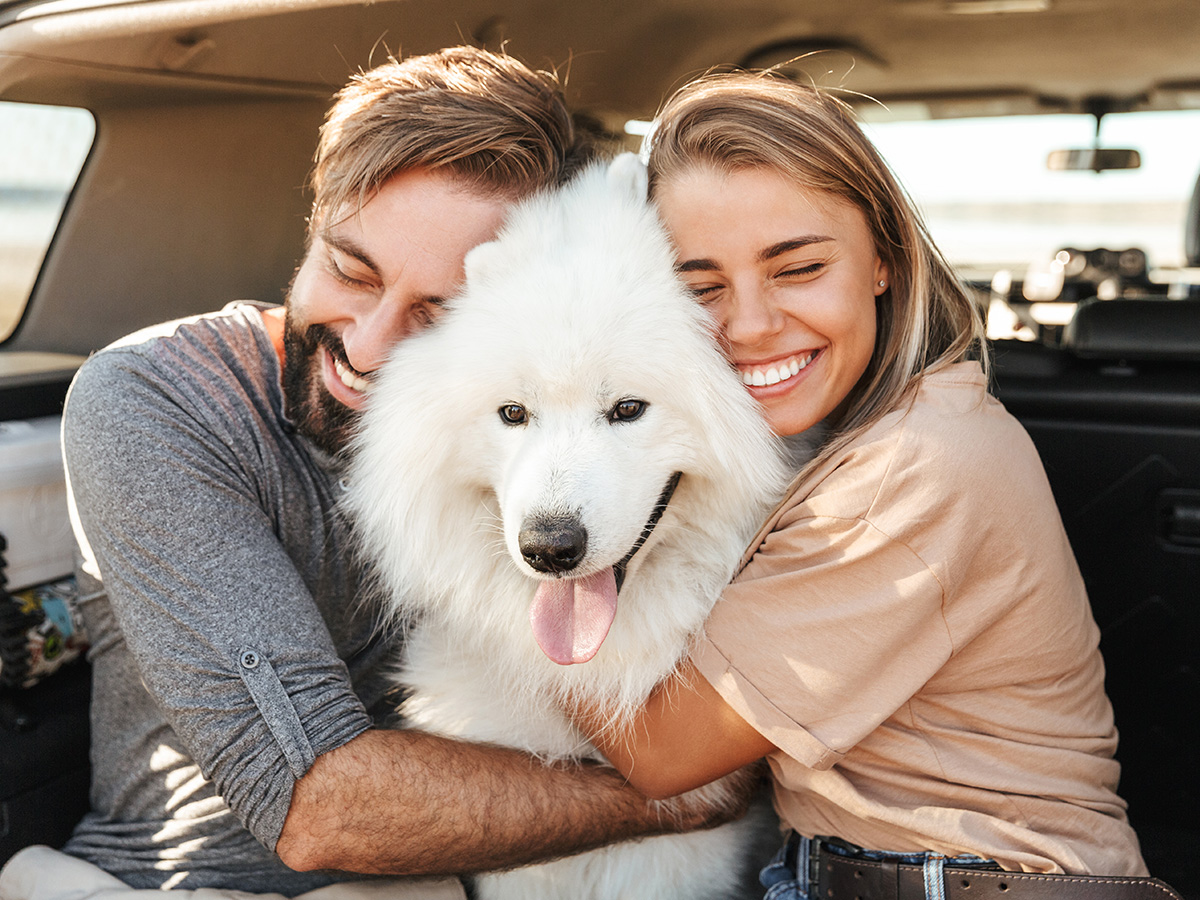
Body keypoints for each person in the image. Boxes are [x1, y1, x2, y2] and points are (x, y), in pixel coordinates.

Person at [0, 48, 739, 900]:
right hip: (199, 882)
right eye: (350, 271)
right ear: (312, 223)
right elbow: (319, 808)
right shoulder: (160, 399)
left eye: (440, 311)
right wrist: (671, 799)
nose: (370, 344)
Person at [569, 71, 1160, 899]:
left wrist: (502, 544)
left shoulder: (915, 465)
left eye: (798, 267)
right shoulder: (862, 436)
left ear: (883, 259)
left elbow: (665, 750)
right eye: (700, 288)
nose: (747, 324)